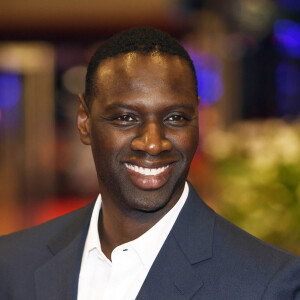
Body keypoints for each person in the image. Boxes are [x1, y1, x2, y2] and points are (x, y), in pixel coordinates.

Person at [0, 27, 300, 300]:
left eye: (175, 118)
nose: (154, 143)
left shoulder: (267, 284)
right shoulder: (12, 264)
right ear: (84, 121)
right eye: (126, 118)